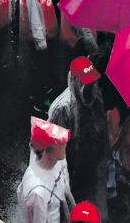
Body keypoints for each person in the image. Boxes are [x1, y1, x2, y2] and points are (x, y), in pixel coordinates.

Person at [48, 57, 110, 217]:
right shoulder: (62, 109)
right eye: (84, 83)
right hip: (68, 175)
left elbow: (102, 137)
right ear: (74, 79)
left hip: (88, 174)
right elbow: (52, 154)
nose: (89, 88)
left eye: (92, 82)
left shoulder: (96, 99)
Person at [14, 117, 74, 223]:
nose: (65, 142)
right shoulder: (38, 193)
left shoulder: (59, 160)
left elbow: (66, 192)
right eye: (60, 142)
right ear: (48, 150)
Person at [19, 0, 58, 110]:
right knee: (39, 71)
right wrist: (40, 42)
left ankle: (42, 94)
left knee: (43, 69)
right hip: (39, 40)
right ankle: (39, 101)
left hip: (47, 35)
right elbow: (35, 19)